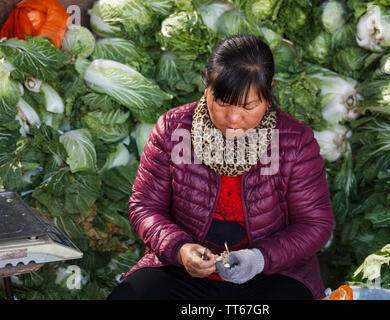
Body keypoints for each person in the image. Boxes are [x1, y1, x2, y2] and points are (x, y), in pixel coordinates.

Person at [107, 34, 334, 300]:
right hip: (183, 272)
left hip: (270, 273)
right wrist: (180, 250)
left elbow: (314, 223)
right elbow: (144, 206)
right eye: (222, 103)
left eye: (249, 106)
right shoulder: (173, 129)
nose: (234, 119)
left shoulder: (294, 141)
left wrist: (258, 259)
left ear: (269, 92)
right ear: (207, 85)